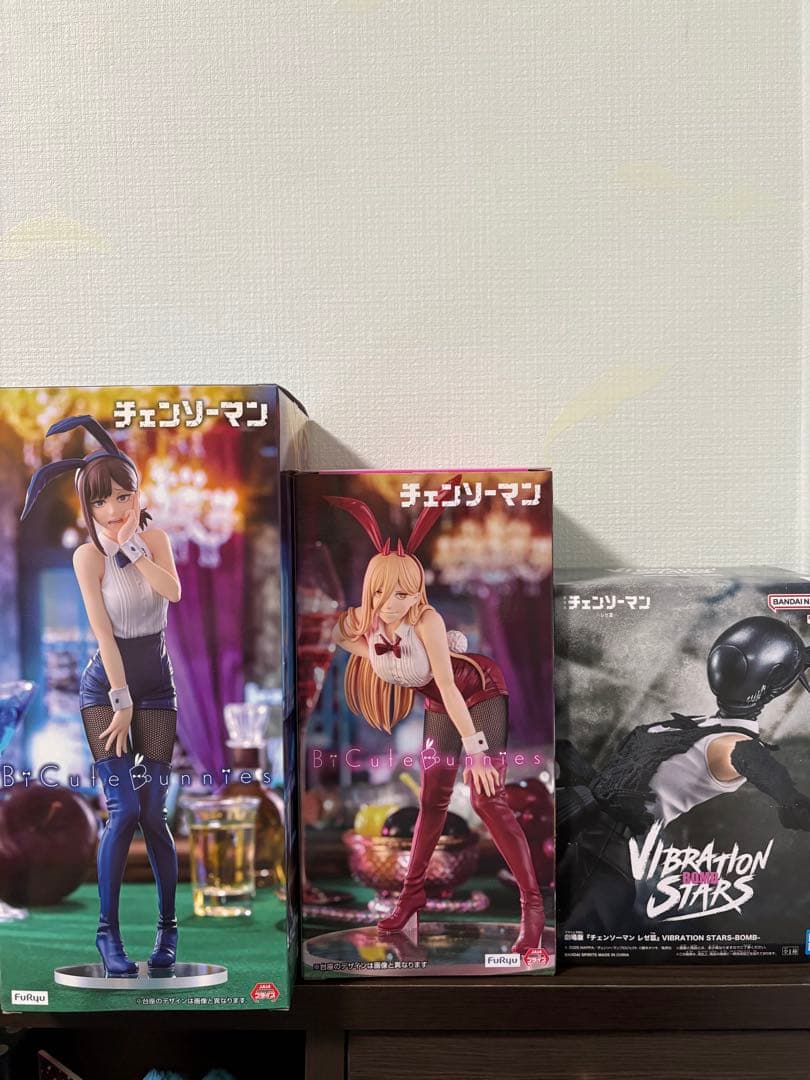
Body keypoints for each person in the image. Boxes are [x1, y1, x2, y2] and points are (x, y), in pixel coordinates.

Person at [326, 484, 544, 953]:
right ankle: (411, 896)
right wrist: (364, 621)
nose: (394, 600)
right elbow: (340, 632)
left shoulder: (426, 620)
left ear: (418, 588)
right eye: (383, 590)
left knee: (486, 799)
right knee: (431, 800)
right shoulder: (368, 627)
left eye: (404, 591)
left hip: (478, 692)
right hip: (440, 705)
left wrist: (478, 753)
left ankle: (532, 905)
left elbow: (448, 685)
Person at [21, 415, 182, 977]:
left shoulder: (155, 540)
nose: (113, 509)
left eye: (122, 495)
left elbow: (173, 592)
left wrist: (135, 550)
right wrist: (120, 698)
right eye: (100, 502)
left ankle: (167, 932)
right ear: (86, 509)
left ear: (138, 494)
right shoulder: (85, 557)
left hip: (157, 690)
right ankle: (107, 935)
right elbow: (103, 633)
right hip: (105, 691)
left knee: (154, 814)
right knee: (123, 810)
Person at [557, 615, 810, 931]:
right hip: (589, 835)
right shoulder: (716, 734)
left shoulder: (709, 736)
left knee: (564, 930)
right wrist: (791, 801)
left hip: (590, 835)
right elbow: (748, 757)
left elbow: (749, 758)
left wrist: (789, 799)